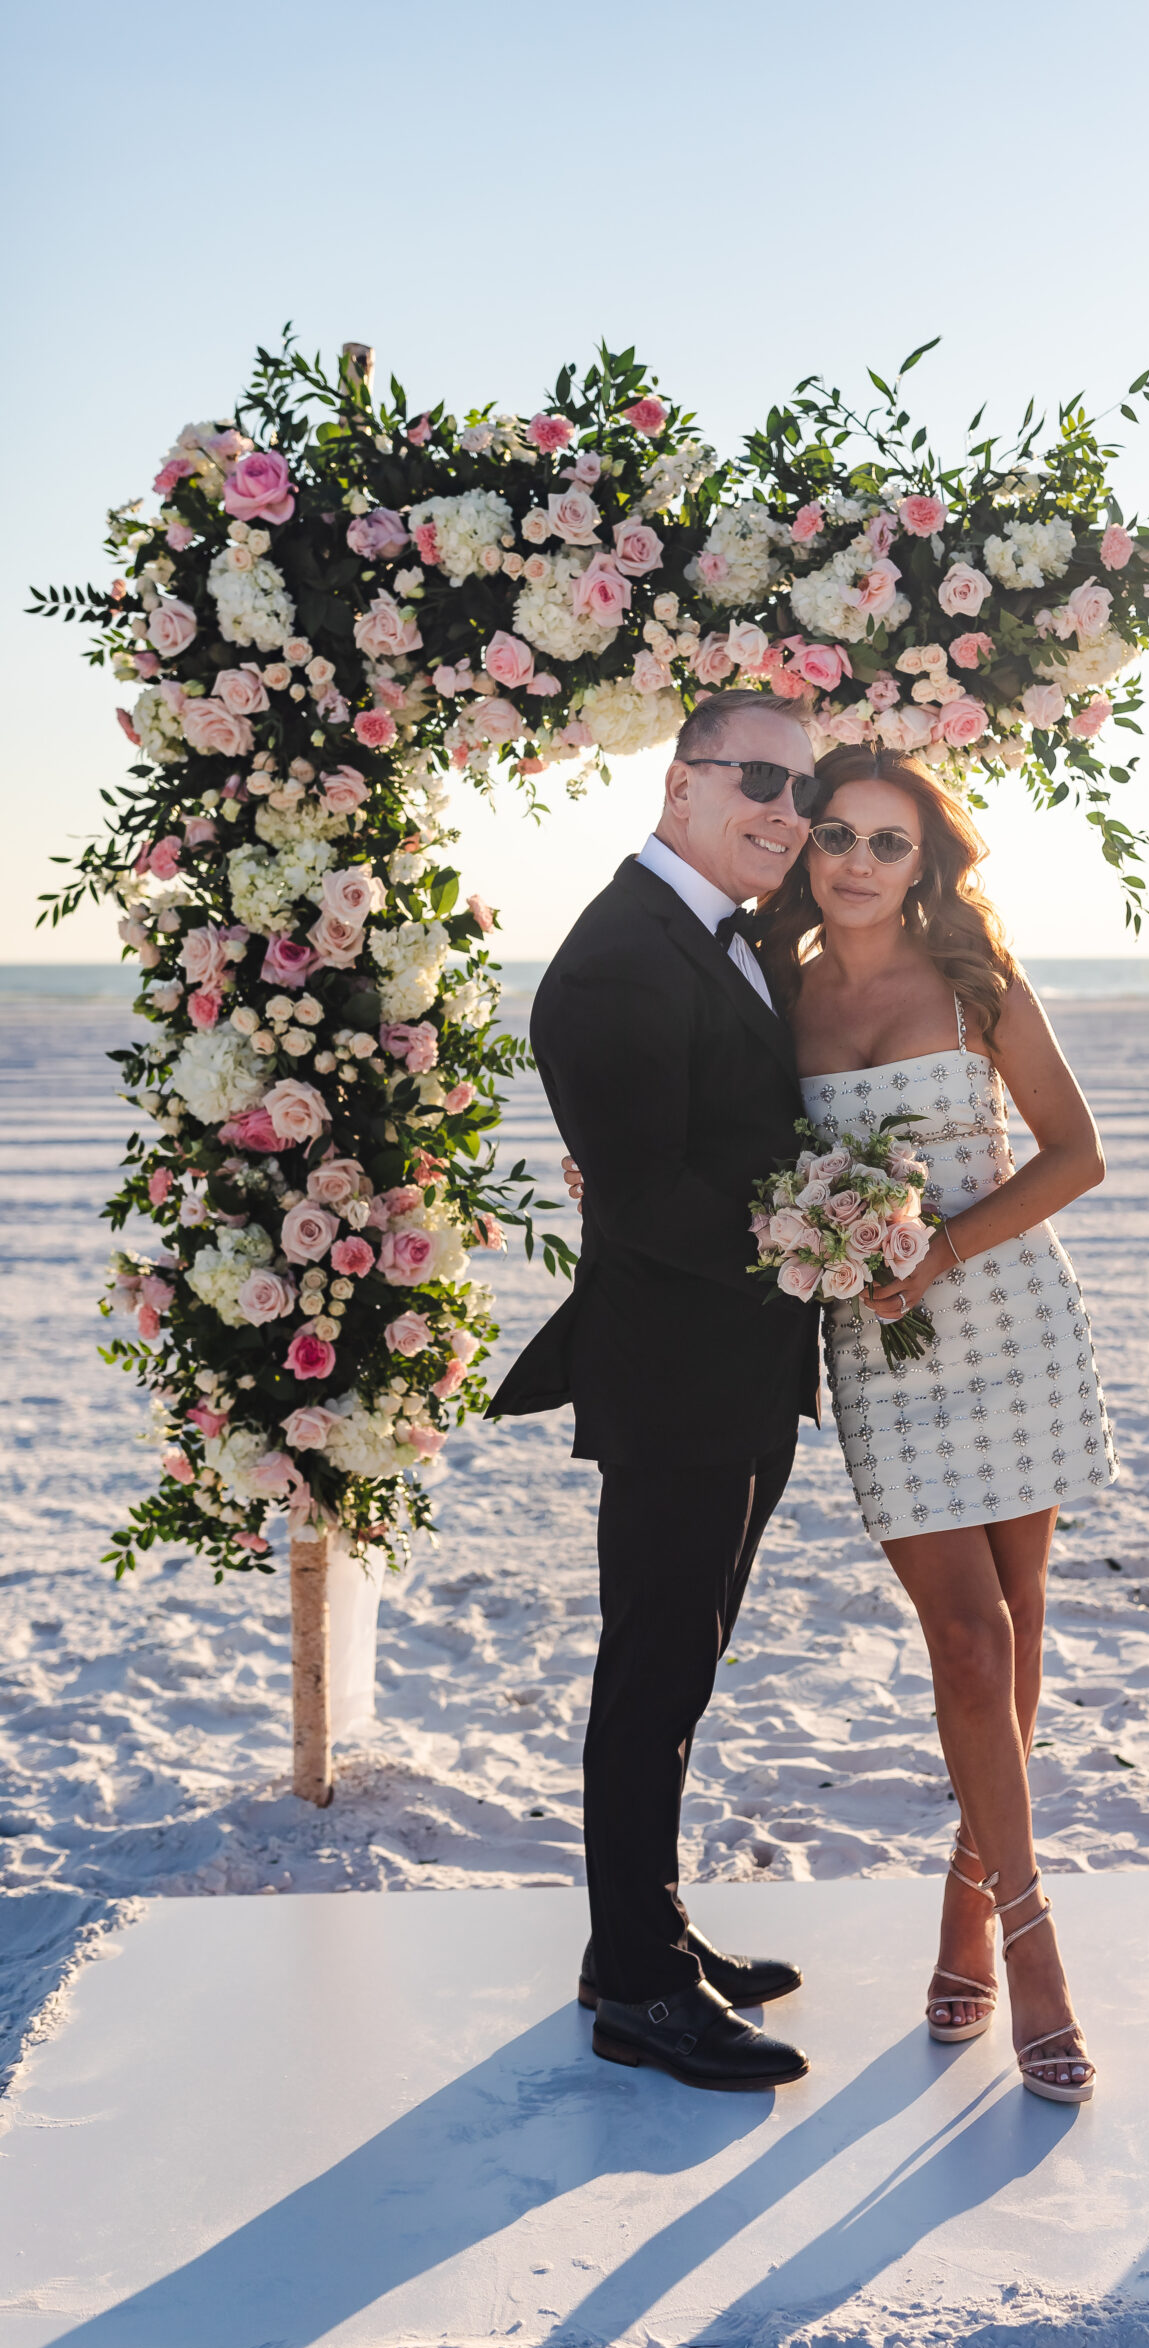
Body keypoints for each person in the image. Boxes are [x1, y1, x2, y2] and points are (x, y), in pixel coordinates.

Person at [560, 741, 1118, 2102]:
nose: (858, 862)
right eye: (838, 839)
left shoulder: (978, 979)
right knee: (970, 1647)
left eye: (889, 843)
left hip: (1009, 1323)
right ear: (804, 857)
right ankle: (1039, 1955)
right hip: (881, 1351)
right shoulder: (771, 993)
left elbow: (1076, 1151)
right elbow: (708, 1134)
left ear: (924, 864)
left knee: (1021, 1636)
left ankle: (965, 1919)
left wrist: (941, 1249)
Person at [488, 689, 825, 2093]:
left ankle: (640, 1937)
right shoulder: (627, 954)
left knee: (676, 1677)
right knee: (649, 1682)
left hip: (731, 1368)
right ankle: (638, 1988)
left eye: (803, 792)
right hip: (680, 1375)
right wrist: (818, 1240)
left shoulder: (719, 937)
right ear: (677, 784)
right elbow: (647, 1200)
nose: (787, 814)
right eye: (759, 777)